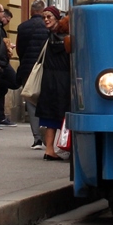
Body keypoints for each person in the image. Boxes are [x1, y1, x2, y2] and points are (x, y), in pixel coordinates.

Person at [36, 8, 71, 161]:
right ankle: (65, 147)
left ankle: (49, 149)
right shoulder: (68, 38)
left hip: (49, 78)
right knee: (66, 114)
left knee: (51, 115)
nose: (46, 20)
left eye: (49, 17)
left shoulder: (49, 37)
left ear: (57, 18)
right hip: (64, 79)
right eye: (44, 17)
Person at [15, 0, 49, 149]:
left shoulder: (22, 27)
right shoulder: (47, 27)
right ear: (43, 11)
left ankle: (37, 138)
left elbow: (20, 50)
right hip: (45, 68)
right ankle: (47, 135)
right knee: (46, 101)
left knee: (31, 101)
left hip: (28, 68)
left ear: (31, 11)